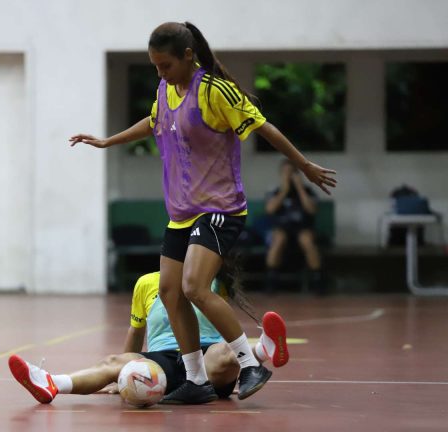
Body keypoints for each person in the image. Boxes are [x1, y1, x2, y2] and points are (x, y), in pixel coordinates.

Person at [69, 21, 336, 404]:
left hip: (220, 209)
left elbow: (264, 127)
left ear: (188, 56)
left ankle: (251, 364)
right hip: (182, 212)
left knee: (194, 287)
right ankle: (195, 379)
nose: (160, 73)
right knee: (169, 290)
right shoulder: (165, 89)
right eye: (155, 66)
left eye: (166, 65)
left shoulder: (214, 90)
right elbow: (156, 121)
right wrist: (110, 141)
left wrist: (304, 165)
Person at [8, 272, 289, 404]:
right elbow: (136, 331)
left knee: (225, 353)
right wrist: (120, 375)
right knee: (115, 361)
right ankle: (51, 383)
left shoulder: (207, 282)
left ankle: (265, 348)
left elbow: (225, 323)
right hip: (162, 361)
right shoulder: (145, 283)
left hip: (206, 358)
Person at [265, 159, 324, 293]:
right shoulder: (275, 191)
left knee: (306, 240)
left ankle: (318, 280)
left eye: (291, 172)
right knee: (278, 239)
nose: (289, 175)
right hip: (282, 229)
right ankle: (271, 281)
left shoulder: (307, 191)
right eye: (285, 172)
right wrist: (284, 190)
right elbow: (270, 209)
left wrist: (300, 188)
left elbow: (311, 209)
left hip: (303, 228)